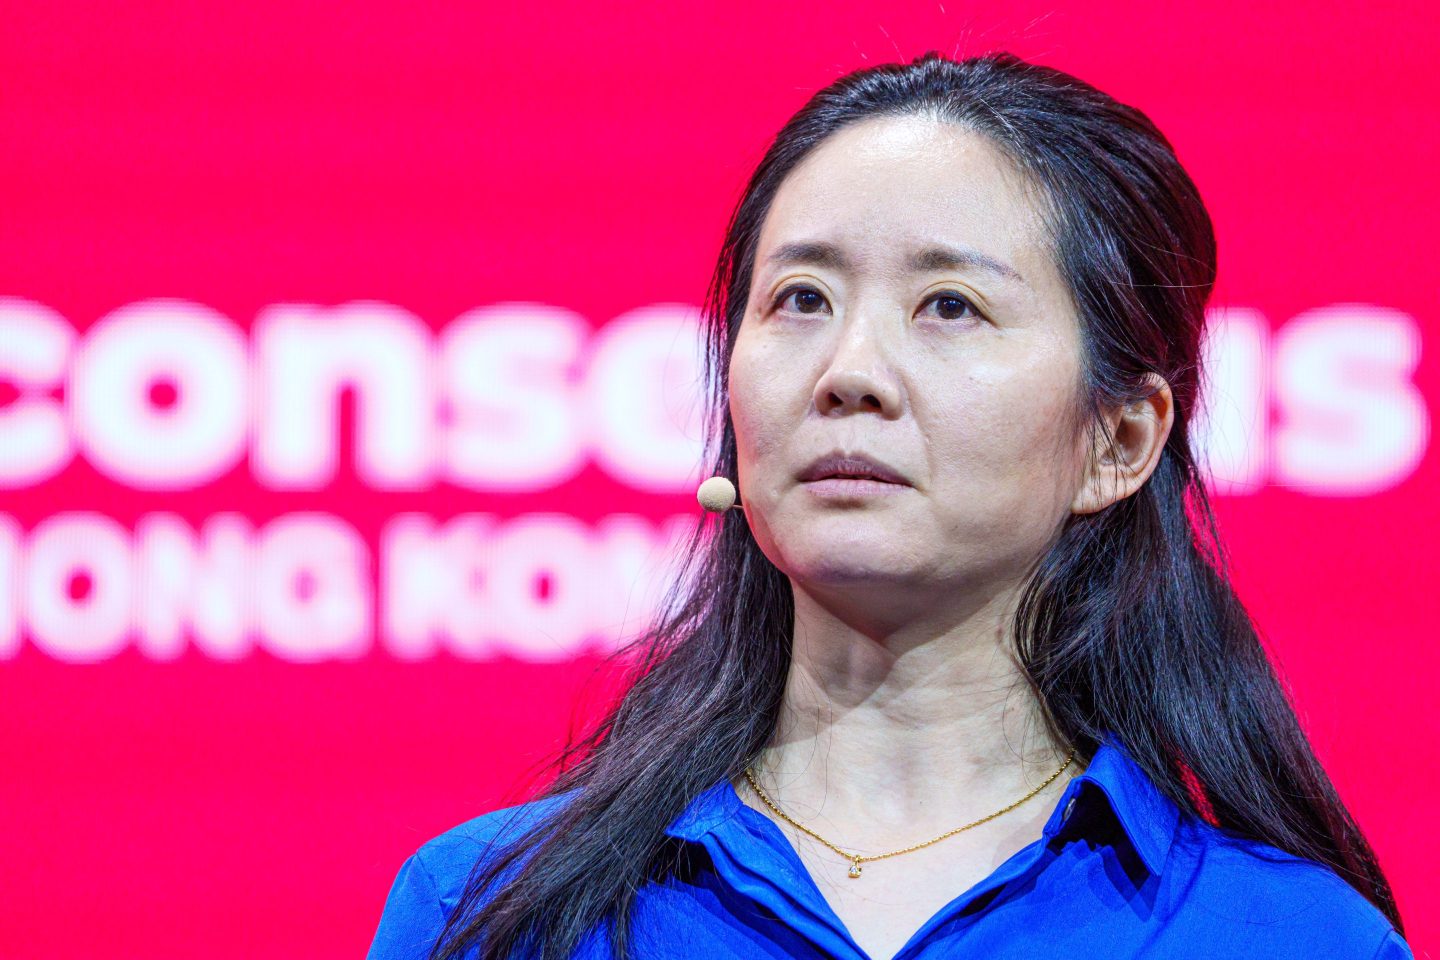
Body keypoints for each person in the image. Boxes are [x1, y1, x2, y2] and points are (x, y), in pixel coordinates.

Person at [367, 50, 1412, 960]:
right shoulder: (488, 911)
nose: (849, 372)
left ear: (1119, 440)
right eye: (802, 299)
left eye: (949, 306)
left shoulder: (1294, 937)